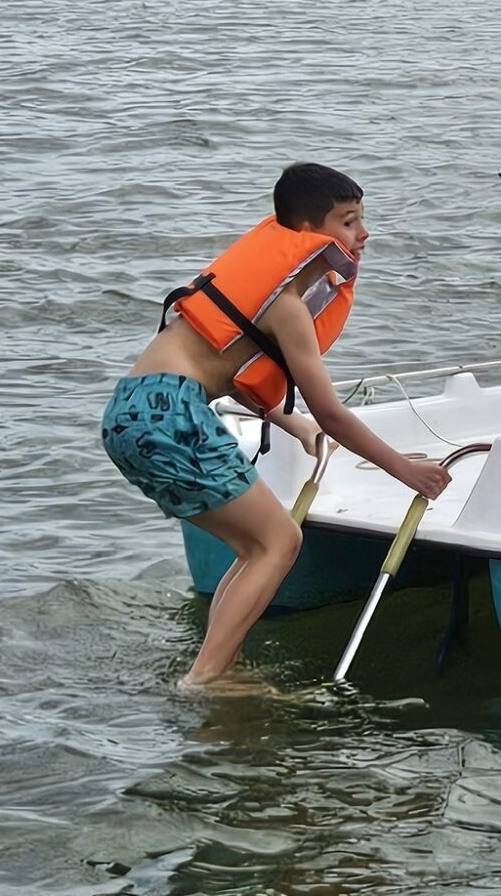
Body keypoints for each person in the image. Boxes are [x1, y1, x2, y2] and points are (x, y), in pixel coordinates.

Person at [103, 163, 450, 691]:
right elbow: (333, 412)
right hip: (170, 412)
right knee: (280, 541)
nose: (363, 233)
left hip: (131, 412)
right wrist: (406, 471)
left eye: (362, 219)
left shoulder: (270, 295)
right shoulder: (286, 306)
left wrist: (296, 426)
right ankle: (205, 679)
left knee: (256, 547)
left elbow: (240, 378)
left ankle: (218, 665)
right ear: (309, 232)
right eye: (349, 221)